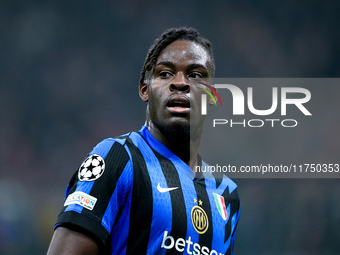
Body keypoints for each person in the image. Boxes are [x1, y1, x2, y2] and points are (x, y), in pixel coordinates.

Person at [47, 27, 240, 255]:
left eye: (196, 75)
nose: (180, 83)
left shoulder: (227, 193)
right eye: (165, 73)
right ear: (144, 89)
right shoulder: (117, 158)